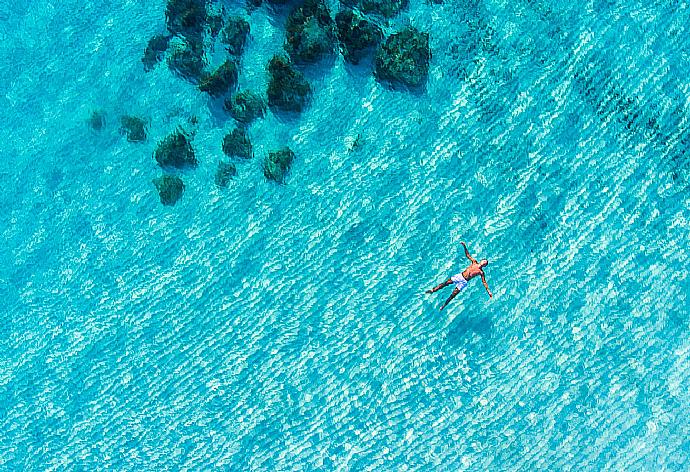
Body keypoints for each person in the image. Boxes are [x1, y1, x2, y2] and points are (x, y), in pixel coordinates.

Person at [426, 242, 492, 310]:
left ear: (484, 266)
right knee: (446, 283)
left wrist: (488, 291)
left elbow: (484, 282)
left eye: (485, 263)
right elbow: (467, 255)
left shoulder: (481, 272)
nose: (483, 263)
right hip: (460, 276)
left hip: (464, 282)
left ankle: (444, 305)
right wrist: (464, 246)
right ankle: (432, 290)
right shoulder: (474, 262)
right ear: (481, 261)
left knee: (453, 295)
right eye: (484, 261)